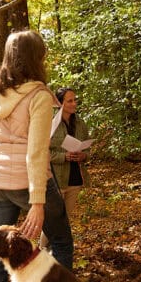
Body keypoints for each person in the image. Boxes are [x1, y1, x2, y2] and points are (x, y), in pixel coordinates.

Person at [0, 29, 74, 282]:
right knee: (60, 242)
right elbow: (37, 151)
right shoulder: (39, 96)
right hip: (28, 180)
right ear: (37, 59)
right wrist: (37, 202)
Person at [49, 87, 90, 223]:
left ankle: (54, 245)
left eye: (75, 100)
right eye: (70, 101)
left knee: (65, 220)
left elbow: (87, 149)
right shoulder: (50, 124)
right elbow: (41, 152)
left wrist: (84, 156)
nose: (74, 103)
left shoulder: (80, 123)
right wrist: (63, 156)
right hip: (57, 178)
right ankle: (43, 245)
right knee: (55, 219)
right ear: (60, 104)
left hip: (76, 178)